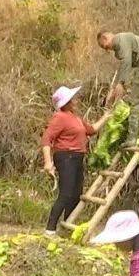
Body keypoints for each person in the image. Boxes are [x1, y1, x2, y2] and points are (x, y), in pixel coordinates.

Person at [40, 85, 112, 236]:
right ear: (67, 102)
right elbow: (47, 139)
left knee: (76, 194)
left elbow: (91, 130)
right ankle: (50, 229)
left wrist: (106, 117)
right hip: (66, 157)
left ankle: (67, 225)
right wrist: (48, 162)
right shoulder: (60, 117)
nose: (76, 101)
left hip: (77, 158)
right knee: (66, 193)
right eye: (73, 99)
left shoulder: (76, 118)